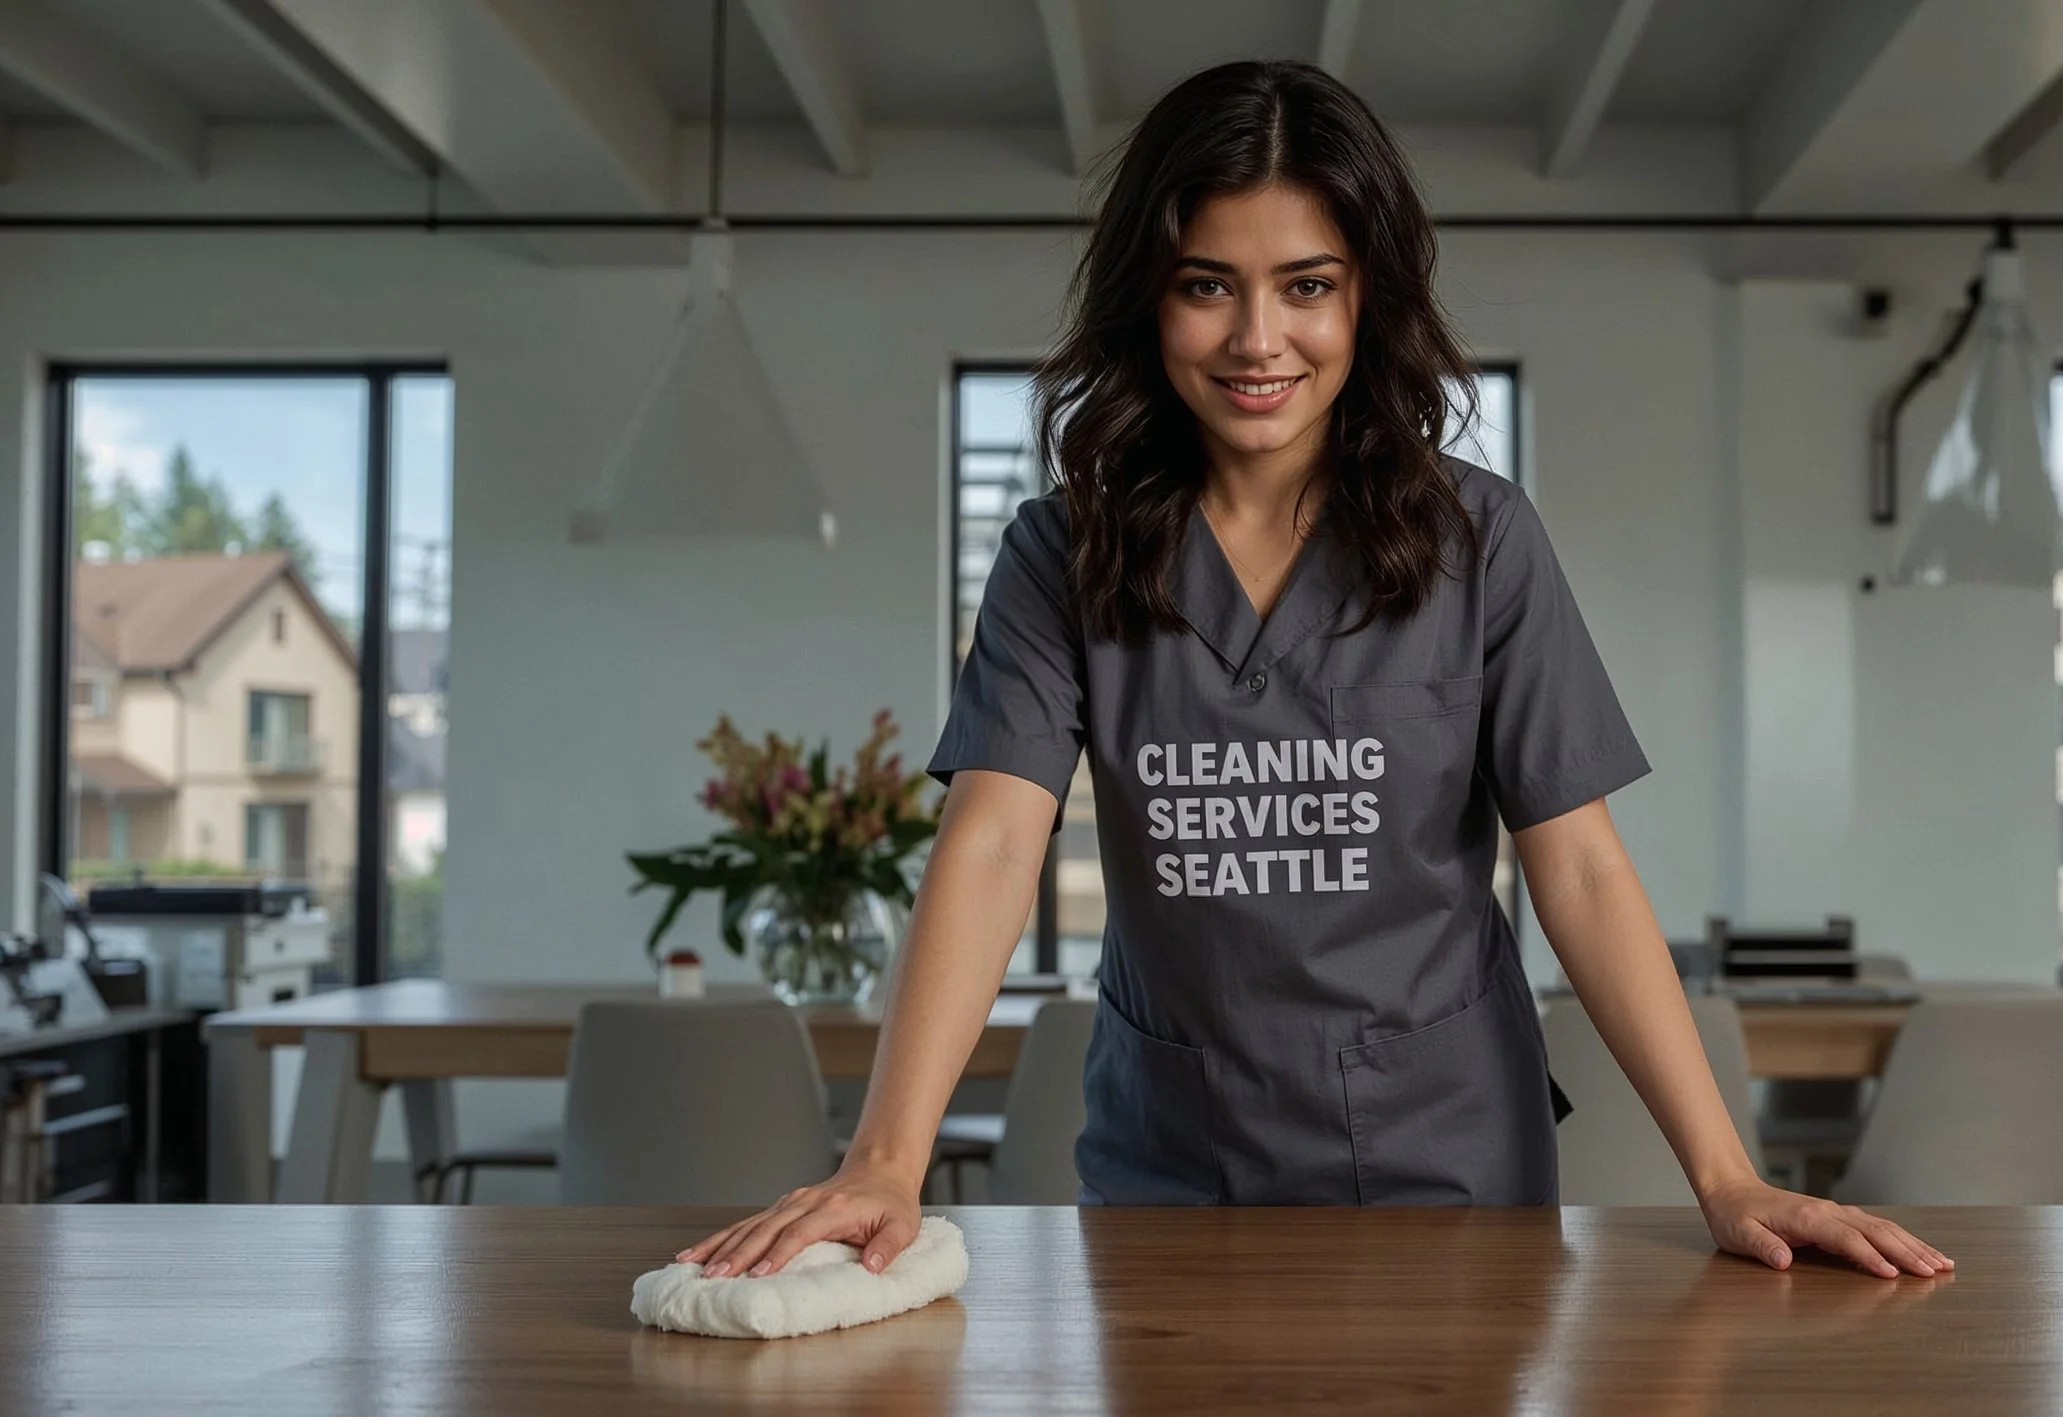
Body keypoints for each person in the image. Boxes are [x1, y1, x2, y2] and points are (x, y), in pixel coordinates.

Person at [681, 60, 1949, 1283]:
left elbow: (1577, 862)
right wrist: (886, 1159)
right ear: (1148, 297)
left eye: (1306, 285)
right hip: (1170, 1165)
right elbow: (996, 842)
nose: (1256, 338)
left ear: (1365, 300)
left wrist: (1727, 1177)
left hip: (1446, 1166)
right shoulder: (1061, 550)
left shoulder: (1478, 539)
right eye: (1205, 284)